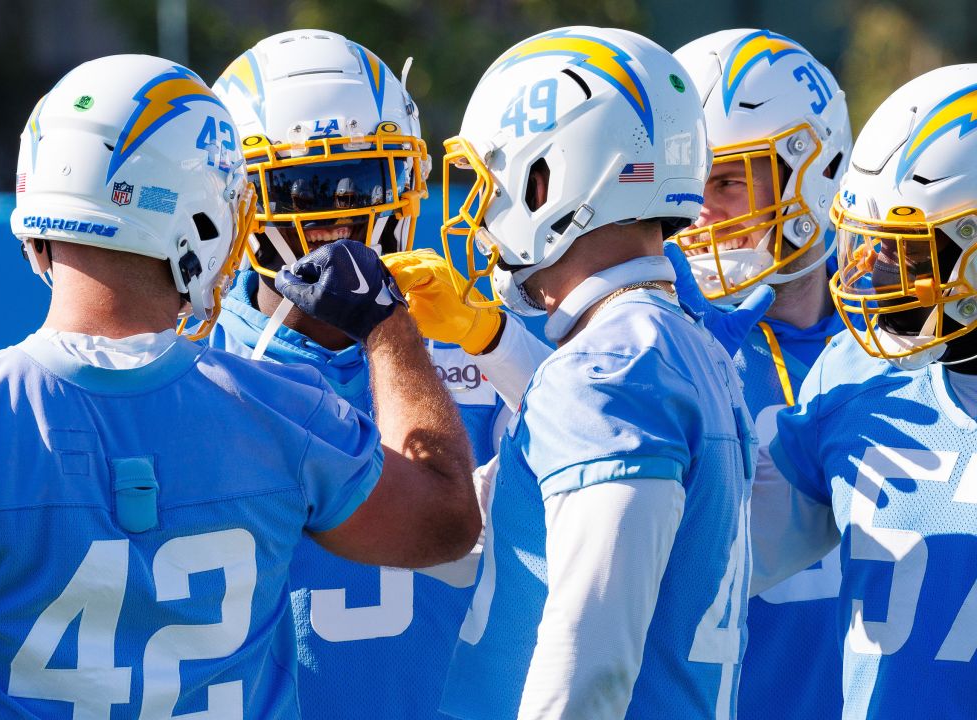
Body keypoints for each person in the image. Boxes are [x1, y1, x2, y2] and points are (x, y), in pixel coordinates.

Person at [0, 54, 479, 718]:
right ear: (204, 219)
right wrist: (389, 327)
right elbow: (445, 523)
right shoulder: (280, 408)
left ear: (35, 223)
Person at [376, 27, 754, 719]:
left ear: (545, 180)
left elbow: (591, 663)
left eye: (487, 183)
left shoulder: (615, 365)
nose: (479, 212)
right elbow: (492, 534)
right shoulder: (668, 345)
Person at [211, 29, 509, 719]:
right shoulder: (203, 363)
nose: (339, 218)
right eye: (300, 191)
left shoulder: (473, 342)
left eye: (364, 182)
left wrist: (504, 347)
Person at [749, 64, 977, 720]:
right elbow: (719, 557)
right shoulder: (854, 373)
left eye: (913, 253)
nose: (877, 279)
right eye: (872, 245)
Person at [670, 29, 852, 720]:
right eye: (688, 185)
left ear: (818, 174)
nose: (700, 212)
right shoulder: (661, 344)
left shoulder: (896, 350)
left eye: (727, 181)